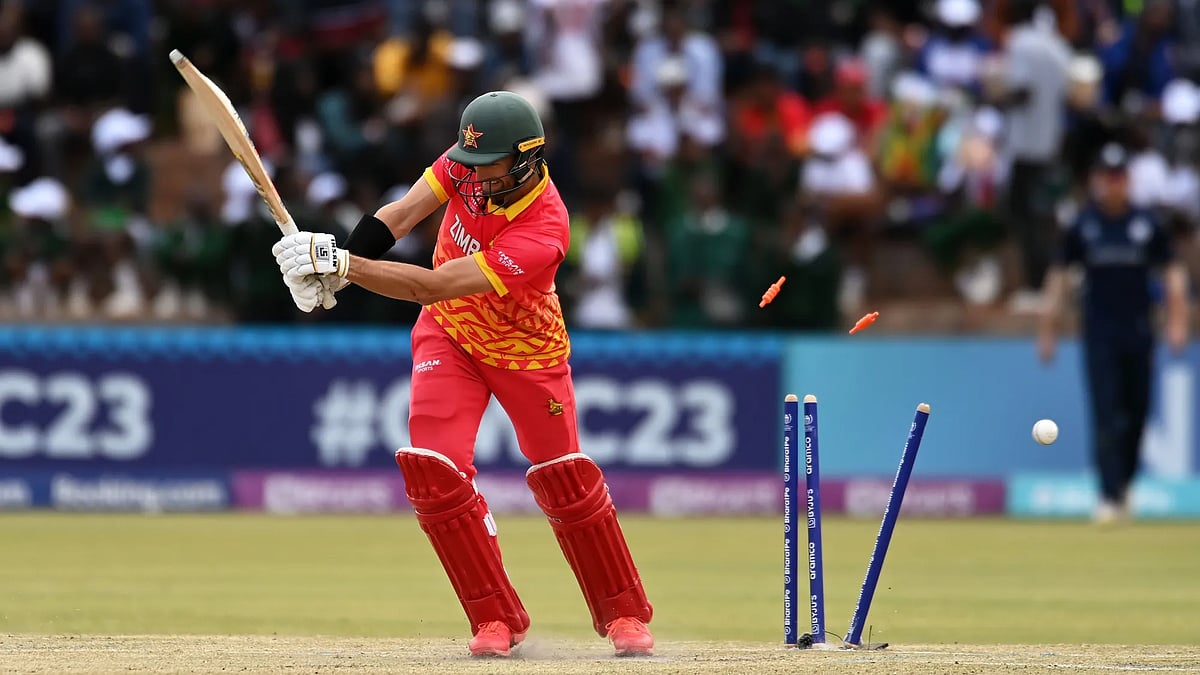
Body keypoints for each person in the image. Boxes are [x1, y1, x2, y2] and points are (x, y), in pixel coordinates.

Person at [272, 91, 655, 657]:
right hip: (449, 336)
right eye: (467, 162)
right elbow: (399, 216)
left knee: (565, 477)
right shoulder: (468, 162)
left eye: (486, 167)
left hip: (527, 352)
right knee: (434, 472)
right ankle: (494, 619)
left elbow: (433, 284)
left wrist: (343, 265)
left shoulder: (545, 231)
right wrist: (338, 275)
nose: (469, 177)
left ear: (525, 160)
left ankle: (624, 614)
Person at [1038, 142, 1189, 524]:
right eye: (1106, 177)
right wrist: (1047, 330)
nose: (1113, 184)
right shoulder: (1083, 225)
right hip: (1099, 333)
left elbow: (1172, 273)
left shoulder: (1147, 223)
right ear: (1096, 181)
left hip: (1139, 332)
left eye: (1119, 177)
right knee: (1105, 411)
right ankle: (1108, 495)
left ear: (1129, 180)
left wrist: (1177, 321)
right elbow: (1058, 278)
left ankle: (1126, 486)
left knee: (1136, 411)